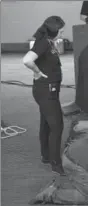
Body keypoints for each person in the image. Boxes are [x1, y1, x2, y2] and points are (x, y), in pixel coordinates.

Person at [23, 16, 66, 175]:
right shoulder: (42, 43)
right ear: (53, 31)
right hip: (46, 91)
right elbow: (27, 60)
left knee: (46, 123)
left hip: (48, 90)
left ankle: (46, 156)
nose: (62, 33)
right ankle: (56, 163)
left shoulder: (48, 41)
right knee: (57, 126)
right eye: (60, 30)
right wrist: (37, 72)